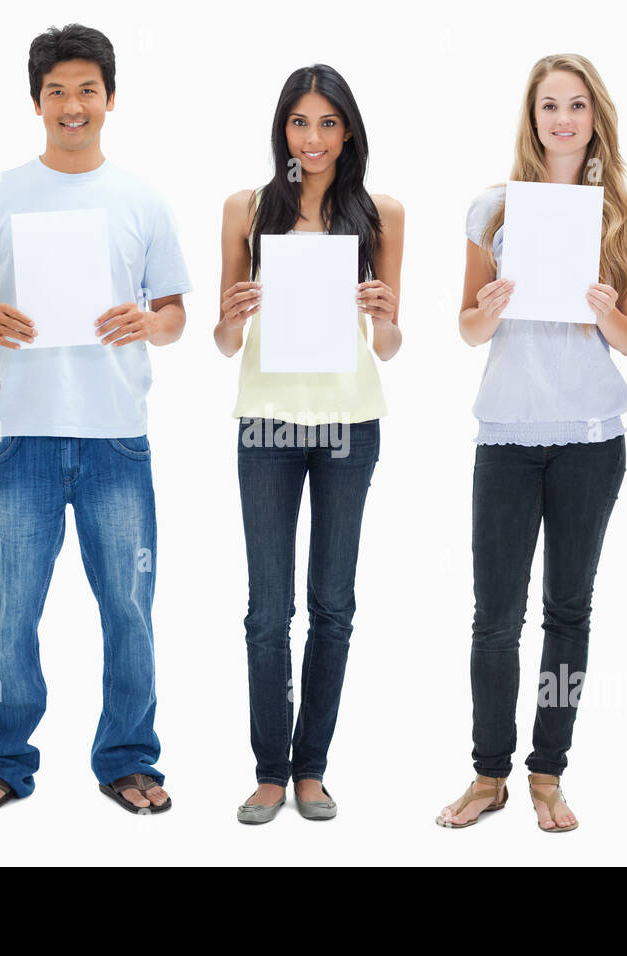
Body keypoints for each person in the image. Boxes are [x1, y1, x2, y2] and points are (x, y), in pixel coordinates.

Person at [0, 24, 190, 816]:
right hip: (24, 433)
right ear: (36, 101)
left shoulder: (140, 198)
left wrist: (147, 321)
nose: (73, 104)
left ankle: (127, 758)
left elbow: (177, 313)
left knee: (130, 608)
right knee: (11, 606)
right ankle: (4, 760)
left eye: (88, 89)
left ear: (110, 99)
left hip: (117, 435)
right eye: (57, 90)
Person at [435, 54, 627, 832]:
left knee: (568, 611)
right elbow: (464, 329)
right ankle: (488, 772)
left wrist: (601, 310)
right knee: (494, 616)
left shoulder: (623, 213)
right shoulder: (492, 210)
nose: (563, 119)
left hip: (590, 437)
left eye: (577, 106)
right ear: (531, 118)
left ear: (597, 117)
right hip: (508, 435)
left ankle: (547, 773)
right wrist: (488, 308)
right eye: (549, 105)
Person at [215, 64, 403, 824]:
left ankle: (312, 768)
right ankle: (268, 769)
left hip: (349, 423)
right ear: (282, 130)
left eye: (328, 123)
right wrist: (234, 312)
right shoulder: (247, 208)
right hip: (266, 421)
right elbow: (225, 343)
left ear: (348, 130)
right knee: (268, 608)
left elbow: (388, 346)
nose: (314, 138)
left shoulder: (379, 213)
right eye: (300, 122)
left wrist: (384, 313)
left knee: (333, 604)